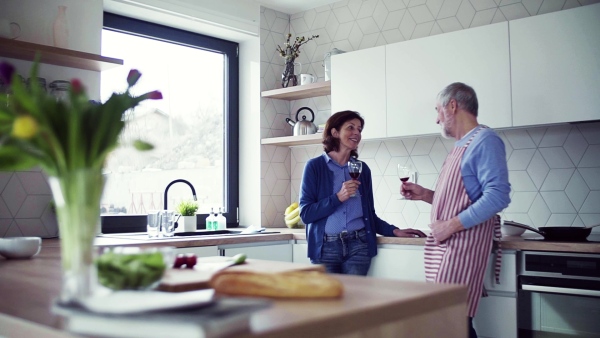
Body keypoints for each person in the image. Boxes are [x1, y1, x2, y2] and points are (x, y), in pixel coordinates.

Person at [401, 83, 511, 338]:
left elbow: (498, 196)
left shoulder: (486, 140)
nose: (436, 117)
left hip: (462, 247)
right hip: (448, 247)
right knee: (448, 324)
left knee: (451, 324)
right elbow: (462, 199)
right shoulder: (463, 145)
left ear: (452, 106)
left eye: (438, 110)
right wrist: (426, 195)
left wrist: (449, 226)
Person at [299, 110, 426, 276]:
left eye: (359, 129)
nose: (357, 133)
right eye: (350, 128)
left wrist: (394, 231)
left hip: (358, 246)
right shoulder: (315, 167)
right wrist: (338, 198)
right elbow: (306, 214)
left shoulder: (362, 169)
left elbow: (369, 216)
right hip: (325, 248)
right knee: (328, 301)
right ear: (335, 132)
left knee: (356, 299)